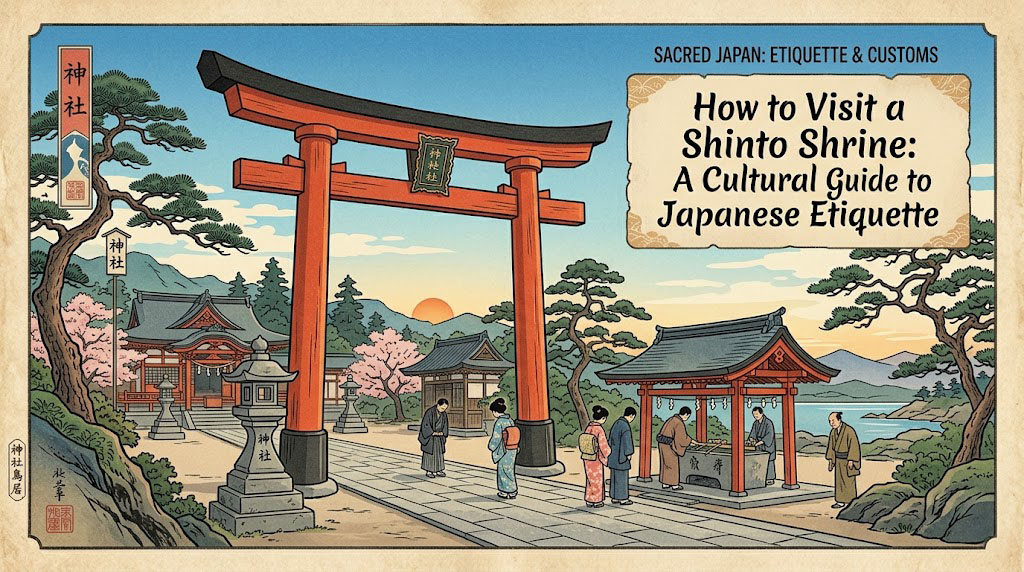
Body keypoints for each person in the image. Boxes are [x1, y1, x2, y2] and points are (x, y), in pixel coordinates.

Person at [657, 406, 701, 490]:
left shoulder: (672, 419)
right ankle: (674, 485)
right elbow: (681, 439)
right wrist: (690, 442)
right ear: (685, 414)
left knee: (665, 464)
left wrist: (690, 441)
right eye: (687, 416)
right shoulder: (678, 422)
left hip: (663, 444)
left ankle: (665, 483)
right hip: (670, 445)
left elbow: (681, 437)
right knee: (672, 464)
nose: (687, 418)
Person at [825, 411, 861, 508]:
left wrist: (851, 460)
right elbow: (831, 447)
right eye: (830, 421)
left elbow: (854, 445)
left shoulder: (849, 430)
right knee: (839, 482)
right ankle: (840, 501)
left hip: (847, 460)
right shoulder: (833, 432)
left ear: (839, 420)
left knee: (849, 481)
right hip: (838, 460)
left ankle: (850, 501)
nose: (831, 423)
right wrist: (831, 460)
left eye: (833, 420)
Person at [487, 398, 518, 499]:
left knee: (503, 470)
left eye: (493, 412)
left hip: (503, 449)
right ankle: (513, 490)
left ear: (495, 412)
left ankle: (505, 491)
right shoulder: (510, 420)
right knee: (510, 469)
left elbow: (496, 437)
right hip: (512, 448)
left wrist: (491, 446)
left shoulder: (499, 422)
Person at [581, 405, 612, 508]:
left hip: (587, 456)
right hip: (596, 458)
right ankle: (597, 500)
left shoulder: (589, 427)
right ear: (603, 418)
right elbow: (603, 446)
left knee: (590, 479)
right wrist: (608, 453)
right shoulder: (599, 429)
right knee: (597, 479)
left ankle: (589, 499)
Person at [607, 406, 636, 505]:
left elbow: (610, 440)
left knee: (614, 477)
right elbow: (627, 441)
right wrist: (628, 453)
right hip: (621, 456)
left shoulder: (616, 423)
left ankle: (614, 497)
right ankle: (623, 498)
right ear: (631, 415)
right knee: (622, 477)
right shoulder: (625, 426)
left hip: (613, 455)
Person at [419, 398, 450, 478]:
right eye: (442, 408)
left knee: (439, 454)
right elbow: (425, 425)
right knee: (430, 454)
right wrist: (432, 432)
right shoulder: (430, 412)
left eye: (445, 408)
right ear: (438, 405)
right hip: (430, 438)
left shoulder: (444, 414)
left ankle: (439, 470)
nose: (443, 410)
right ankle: (429, 471)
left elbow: (445, 425)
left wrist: (443, 432)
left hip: (439, 438)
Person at [746, 406, 777, 485]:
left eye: (756, 414)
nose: (755, 416)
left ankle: (770, 479)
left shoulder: (768, 423)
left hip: (767, 446)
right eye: (754, 415)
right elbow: (752, 434)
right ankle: (759, 478)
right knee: (759, 462)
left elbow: (769, 435)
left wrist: (761, 442)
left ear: (761, 413)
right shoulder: (755, 423)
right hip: (759, 446)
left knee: (768, 462)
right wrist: (752, 440)